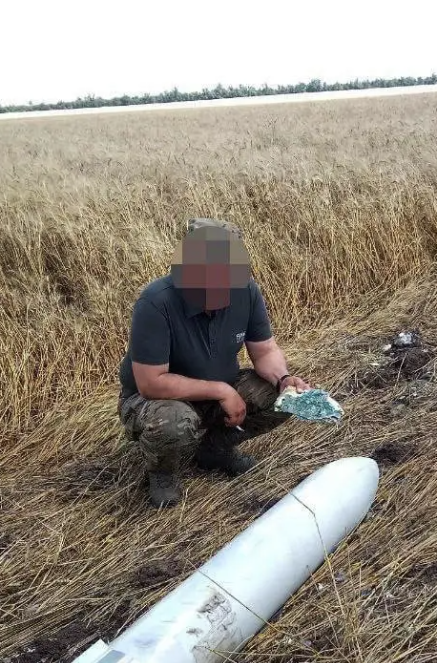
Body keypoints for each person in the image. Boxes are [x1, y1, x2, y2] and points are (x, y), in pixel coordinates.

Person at [118, 218, 310, 508]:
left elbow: (265, 350)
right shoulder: (156, 303)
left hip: (216, 392)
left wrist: (284, 379)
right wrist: (222, 391)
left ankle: (213, 450)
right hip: (153, 401)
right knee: (174, 422)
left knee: (283, 398)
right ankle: (162, 472)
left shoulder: (245, 291)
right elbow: (150, 383)